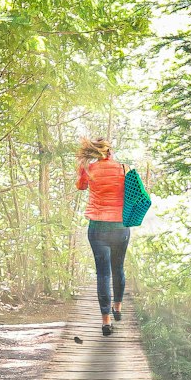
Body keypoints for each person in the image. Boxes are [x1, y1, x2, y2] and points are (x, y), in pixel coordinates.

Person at [76, 137, 129, 337]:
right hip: (120, 226)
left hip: (97, 226)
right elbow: (133, 193)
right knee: (118, 268)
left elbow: (80, 187)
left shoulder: (89, 169)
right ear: (110, 152)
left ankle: (105, 322)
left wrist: (81, 167)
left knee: (103, 274)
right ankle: (118, 308)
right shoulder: (124, 168)